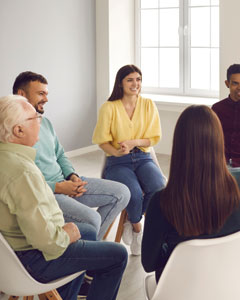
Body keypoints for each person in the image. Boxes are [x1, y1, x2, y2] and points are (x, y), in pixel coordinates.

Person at [0, 95, 128, 300]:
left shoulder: (8, 159)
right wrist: (67, 234)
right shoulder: (23, 173)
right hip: (32, 260)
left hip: (12, 255)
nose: (40, 121)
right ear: (18, 130)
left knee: (85, 230)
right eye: (35, 119)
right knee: (118, 255)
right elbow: (48, 243)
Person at [141, 105, 240, 280]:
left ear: (179, 145)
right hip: (230, 285)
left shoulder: (161, 201)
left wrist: (177, 249)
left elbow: (149, 263)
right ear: (218, 140)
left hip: (181, 289)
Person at [12, 71, 130, 241]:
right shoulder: (13, 131)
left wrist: (72, 176)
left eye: (46, 93)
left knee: (122, 193)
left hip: (65, 182)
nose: (46, 98)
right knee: (92, 219)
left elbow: (60, 154)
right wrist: (59, 187)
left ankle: (92, 247)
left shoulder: (44, 122)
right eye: (40, 93)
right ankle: (90, 253)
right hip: (46, 193)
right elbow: (24, 182)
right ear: (21, 95)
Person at [92, 64, 166, 255]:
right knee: (132, 192)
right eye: (130, 80)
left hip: (143, 157)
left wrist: (134, 142)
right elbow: (101, 140)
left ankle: (132, 218)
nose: (135, 84)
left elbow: (154, 137)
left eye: (138, 79)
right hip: (118, 161)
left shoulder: (148, 104)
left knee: (159, 187)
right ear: (121, 83)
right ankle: (137, 228)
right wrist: (116, 152)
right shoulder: (109, 107)